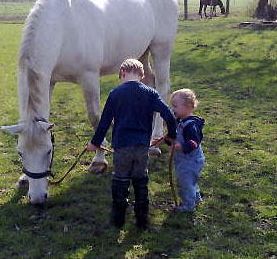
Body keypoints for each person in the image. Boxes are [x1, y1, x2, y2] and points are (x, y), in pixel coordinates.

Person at [86, 59, 176, 229]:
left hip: (122, 147)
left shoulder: (115, 94)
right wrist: (171, 135)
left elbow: (104, 122)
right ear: (142, 77)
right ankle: (142, 220)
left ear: (122, 74)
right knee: (140, 180)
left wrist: (94, 143)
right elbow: (169, 116)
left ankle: (118, 219)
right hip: (142, 147)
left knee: (120, 179)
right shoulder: (151, 93)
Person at [152, 88, 205, 212]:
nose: (172, 109)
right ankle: (195, 197)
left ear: (188, 107)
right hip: (183, 161)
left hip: (191, 161)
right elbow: (172, 136)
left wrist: (181, 147)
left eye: (175, 106)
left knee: (185, 183)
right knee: (190, 181)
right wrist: (161, 141)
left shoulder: (191, 125)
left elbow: (194, 142)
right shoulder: (179, 121)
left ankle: (188, 206)